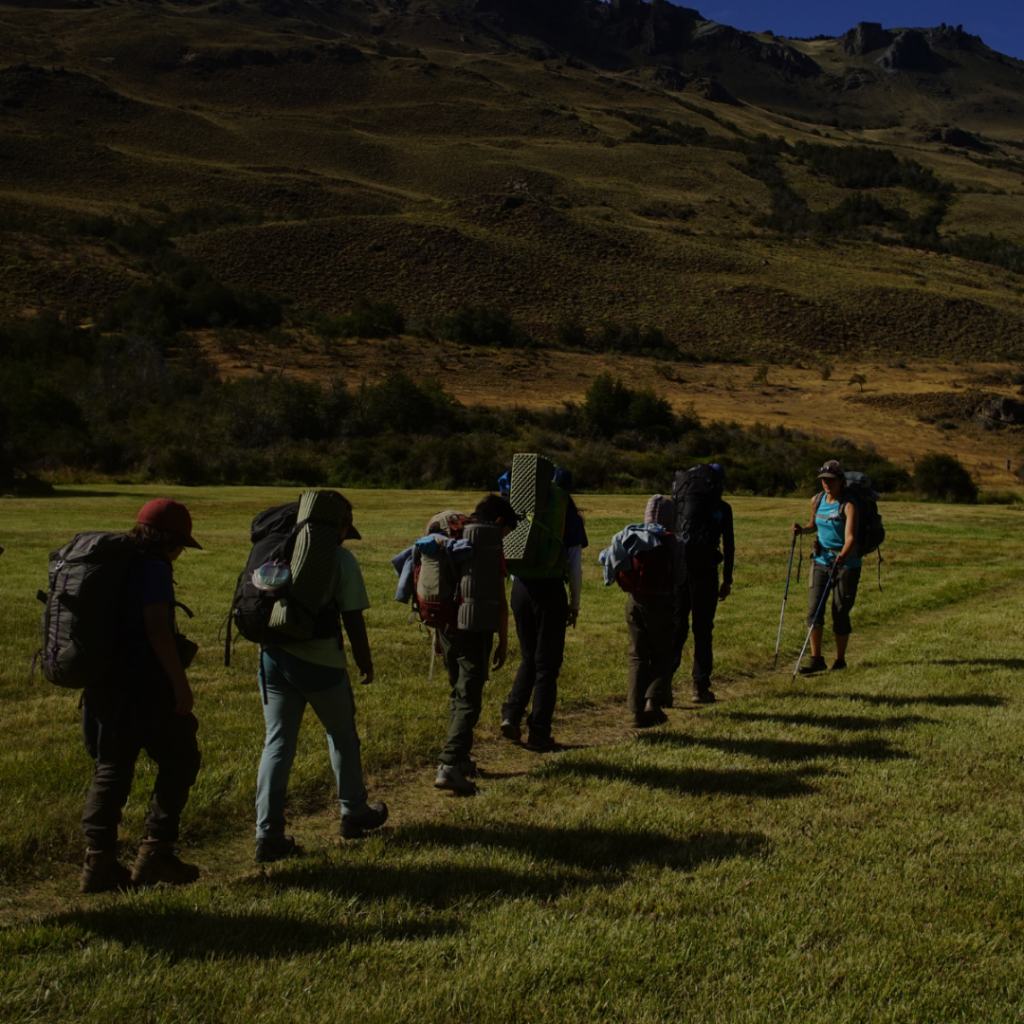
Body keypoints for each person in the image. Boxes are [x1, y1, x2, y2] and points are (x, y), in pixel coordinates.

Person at [254, 491, 387, 863]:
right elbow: (353, 617)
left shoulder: (275, 548)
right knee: (342, 735)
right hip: (322, 663)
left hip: (271, 658)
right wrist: (364, 661)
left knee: (277, 744)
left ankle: (268, 834)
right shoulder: (341, 558)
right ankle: (354, 813)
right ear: (338, 525)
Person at [79, 498, 203, 893]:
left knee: (111, 768)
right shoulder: (152, 568)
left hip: (103, 683)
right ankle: (155, 852)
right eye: (181, 544)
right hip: (143, 685)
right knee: (181, 757)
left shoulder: (115, 563)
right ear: (168, 540)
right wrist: (180, 685)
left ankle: (98, 862)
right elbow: (156, 628)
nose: (181, 552)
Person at [434, 494, 518, 795]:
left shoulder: (451, 533)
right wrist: (504, 641)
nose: (505, 538)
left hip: (445, 626)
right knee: (469, 698)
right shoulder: (487, 544)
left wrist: (436, 632)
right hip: (474, 629)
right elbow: (499, 601)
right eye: (507, 531)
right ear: (498, 522)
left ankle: (462, 757)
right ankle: (449, 764)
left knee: (457, 691)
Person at [501, 468, 588, 753]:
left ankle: (511, 715)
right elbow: (574, 566)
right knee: (547, 665)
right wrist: (574, 604)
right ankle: (539, 732)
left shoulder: (524, 509)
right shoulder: (568, 515)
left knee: (529, 657)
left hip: (520, 589)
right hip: (550, 591)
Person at [599, 494, 682, 728]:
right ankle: (652, 702)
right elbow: (680, 577)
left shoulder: (629, 535)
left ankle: (635, 712)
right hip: (662, 602)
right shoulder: (673, 542)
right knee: (663, 652)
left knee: (637, 655)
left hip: (633, 601)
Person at [670, 463, 734, 704]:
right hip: (706, 572)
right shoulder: (722, 509)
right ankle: (700, 686)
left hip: (679, 569)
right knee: (703, 629)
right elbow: (729, 546)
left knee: (677, 626)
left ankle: (663, 684)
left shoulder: (681, 503)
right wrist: (727, 579)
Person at [791, 459, 861, 674]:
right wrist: (802, 530)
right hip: (820, 561)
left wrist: (843, 556)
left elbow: (850, 537)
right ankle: (816, 658)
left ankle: (840, 661)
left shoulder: (849, 505)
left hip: (846, 565)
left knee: (839, 612)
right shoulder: (817, 500)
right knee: (814, 610)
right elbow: (814, 525)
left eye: (831, 480)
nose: (826, 484)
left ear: (841, 480)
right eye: (823, 480)